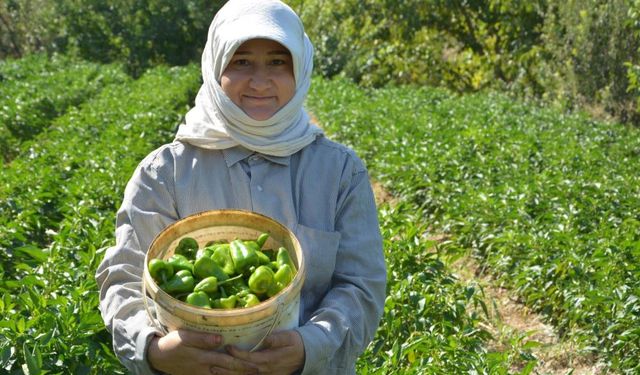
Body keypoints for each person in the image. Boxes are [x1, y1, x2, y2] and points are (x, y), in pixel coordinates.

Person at [95, 0, 387, 374]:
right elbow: (124, 277)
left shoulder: (340, 173)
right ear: (216, 66)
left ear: (300, 67)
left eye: (278, 62)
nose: (260, 81)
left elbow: (361, 286)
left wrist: (309, 345)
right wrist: (153, 349)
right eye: (241, 61)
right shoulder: (164, 174)